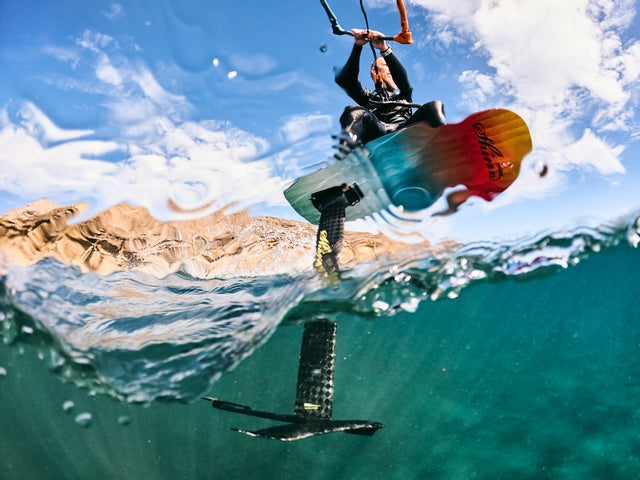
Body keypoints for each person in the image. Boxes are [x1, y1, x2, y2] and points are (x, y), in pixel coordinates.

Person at [335, 29, 446, 145]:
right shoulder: (368, 97)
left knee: (434, 106)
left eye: (390, 67)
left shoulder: (403, 94)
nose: (390, 70)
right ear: (374, 70)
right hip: (380, 134)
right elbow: (346, 81)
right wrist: (357, 47)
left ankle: (444, 142)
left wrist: (384, 49)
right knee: (354, 111)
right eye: (386, 65)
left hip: (407, 131)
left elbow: (404, 83)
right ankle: (347, 149)